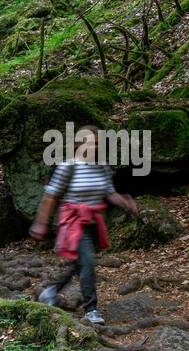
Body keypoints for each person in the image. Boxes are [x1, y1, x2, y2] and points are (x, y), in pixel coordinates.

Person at [28, 124, 138, 325]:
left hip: (94, 223)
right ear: (80, 143)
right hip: (73, 223)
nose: (94, 147)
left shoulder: (102, 166)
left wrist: (125, 202)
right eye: (90, 143)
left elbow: (108, 192)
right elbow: (51, 196)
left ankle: (50, 291)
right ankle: (91, 309)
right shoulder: (69, 165)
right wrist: (41, 223)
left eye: (97, 143)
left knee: (80, 262)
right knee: (87, 262)